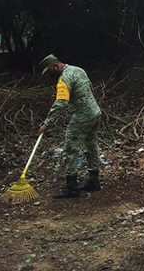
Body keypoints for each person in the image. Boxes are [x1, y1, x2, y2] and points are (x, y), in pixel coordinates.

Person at [38, 55, 102, 198]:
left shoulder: (64, 80)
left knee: (70, 148)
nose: (49, 75)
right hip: (95, 112)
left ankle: (72, 188)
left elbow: (61, 103)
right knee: (91, 145)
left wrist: (47, 123)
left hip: (82, 115)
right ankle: (94, 181)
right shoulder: (78, 70)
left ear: (55, 66)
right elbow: (90, 88)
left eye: (49, 71)